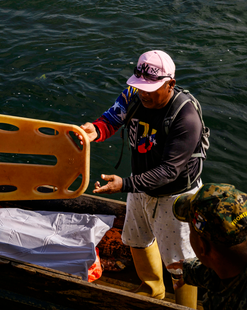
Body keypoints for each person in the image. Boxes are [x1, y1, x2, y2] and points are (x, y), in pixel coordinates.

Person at [79, 50, 210, 308]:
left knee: (180, 262)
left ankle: (185, 307)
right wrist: (93, 131)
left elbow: (169, 171)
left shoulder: (186, 117)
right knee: (137, 241)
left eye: (152, 88)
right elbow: (111, 119)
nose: (144, 94)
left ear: (170, 84)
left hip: (175, 196)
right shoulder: (133, 95)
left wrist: (124, 184)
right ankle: (153, 290)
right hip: (140, 187)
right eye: (140, 87)